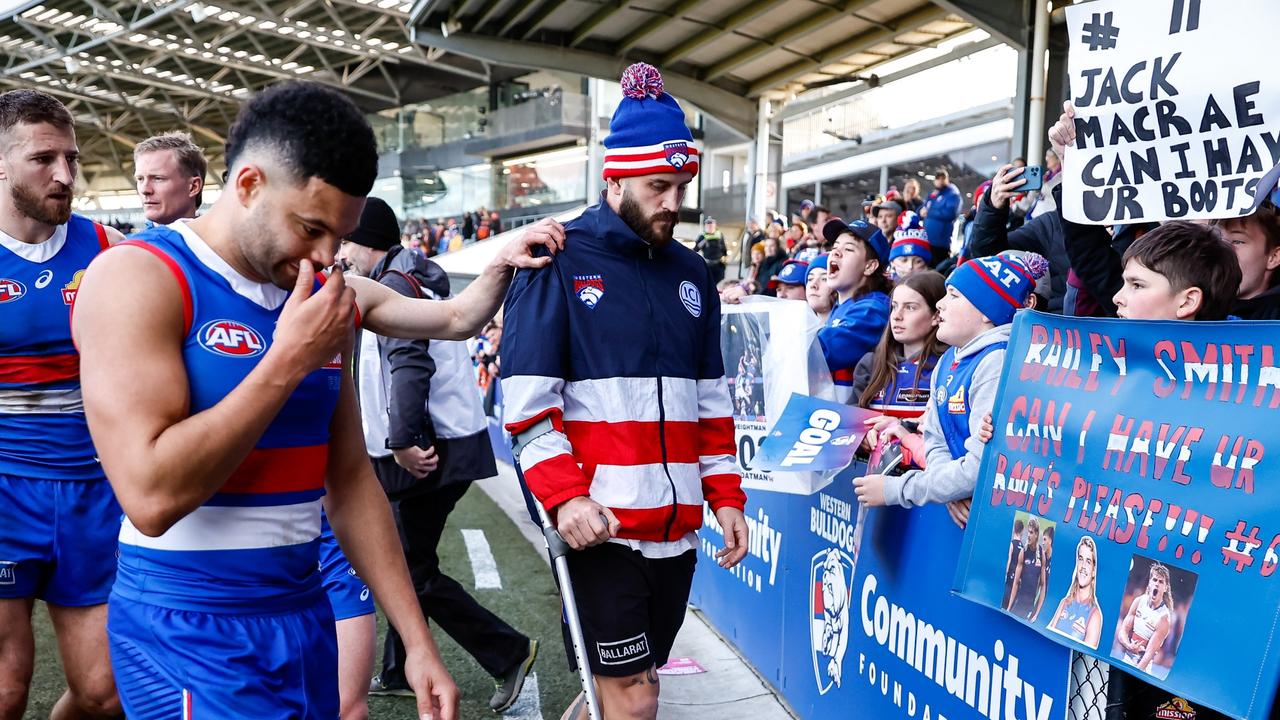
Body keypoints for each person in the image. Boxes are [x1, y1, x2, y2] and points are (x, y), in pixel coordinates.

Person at [73, 80, 562, 720]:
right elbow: (151, 496)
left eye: (341, 234)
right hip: (190, 623)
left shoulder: (320, 295)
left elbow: (350, 475)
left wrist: (417, 641)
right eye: (311, 227)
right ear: (248, 185)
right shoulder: (137, 277)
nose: (328, 255)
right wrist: (289, 358)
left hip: (304, 612)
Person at [499, 62, 749, 720]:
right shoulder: (556, 257)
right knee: (636, 699)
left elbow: (711, 404)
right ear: (615, 179)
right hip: (598, 531)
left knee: (618, 695)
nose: (674, 201)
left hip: (676, 535)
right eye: (658, 186)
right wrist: (566, 497)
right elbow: (525, 407)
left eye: (681, 185)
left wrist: (725, 497)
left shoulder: (693, 272)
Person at [338, 198, 538, 713]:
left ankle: (508, 652)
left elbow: (408, 362)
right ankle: (396, 669)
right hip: (447, 444)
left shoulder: (397, 282)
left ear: (366, 242)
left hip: (430, 452)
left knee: (407, 570)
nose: (339, 253)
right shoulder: (406, 273)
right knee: (409, 559)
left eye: (344, 242)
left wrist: (402, 441)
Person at [0, 88, 125, 720]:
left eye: (71, 159)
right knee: (5, 690)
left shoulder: (111, 249)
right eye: (43, 158)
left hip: (93, 492)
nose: (64, 174)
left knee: (105, 695)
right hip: (3, 491)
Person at [853, 253, 1047, 511]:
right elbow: (936, 441)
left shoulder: (996, 362)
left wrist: (896, 489)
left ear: (987, 312)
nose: (941, 305)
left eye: (954, 295)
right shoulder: (948, 360)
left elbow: (980, 467)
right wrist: (950, 492)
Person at [851, 271, 946, 421]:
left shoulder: (947, 366)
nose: (896, 316)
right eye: (894, 307)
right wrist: (862, 433)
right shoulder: (871, 363)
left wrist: (899, 426)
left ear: (936, 315)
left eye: (910, 308)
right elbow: (850, 421)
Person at [817, 217, 891, 402]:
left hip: (851, 423)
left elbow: (822, 352)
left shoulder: (873, 309)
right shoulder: (841, 307)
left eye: (848, 249)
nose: (836, 254)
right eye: (834, 248)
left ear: (870, 266)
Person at [134, 130, 207, 226]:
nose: (144, 190)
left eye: (158, 178)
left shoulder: (220, 240)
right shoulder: (119, 240)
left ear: (193, 187)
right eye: (140, 179)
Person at [1047, 536, 1103, 649]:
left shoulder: (1095, 614)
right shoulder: (1064, 602)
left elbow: (1086, 654)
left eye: (1088, 562)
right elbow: (1048, 635)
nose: (1083, 566)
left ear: (1093, 571)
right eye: (1080, 559)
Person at [1117, 563, 1174, 672]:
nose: (1157, 584)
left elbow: (1148, 654)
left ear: (1165, 588)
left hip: (1143, 668)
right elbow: (1123, 631)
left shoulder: (1164, 618)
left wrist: (1136, 673)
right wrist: (1128, 646)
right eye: (1155, 580)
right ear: (1149, 583)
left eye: (1161, 582)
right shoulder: (1139, 601)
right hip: (1126, 659)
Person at [1006, 517, 1046, 621]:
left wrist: (1037, 614)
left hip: (1030, 608)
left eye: (1031, 532)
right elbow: (1015, 583)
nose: (1028, 535)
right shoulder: (1023, 552)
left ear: (1036, 534)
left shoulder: (1041, 554)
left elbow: (1043, 585)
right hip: (1019, 603)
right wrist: (1009, 608)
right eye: (1028, 532)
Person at [921, 168, 960, 266]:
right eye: (937, 178)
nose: (940, 181)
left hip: (940, 244)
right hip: (927, 241)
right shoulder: (934, 194)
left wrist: (929, 212)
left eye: (942, 178)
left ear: (946, 179)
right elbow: (923, 208)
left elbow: (950, 214)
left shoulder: (952, 194)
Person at [887, 213, 931, 280]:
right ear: (892, 263)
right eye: (903, 260)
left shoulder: (933, 288)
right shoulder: (883, 287)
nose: (910, 267)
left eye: (918, 261)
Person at [694, 217, 727, 284]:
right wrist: (704, 240)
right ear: (705, 226)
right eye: (708, 225)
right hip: (708, 265)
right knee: (709, 283)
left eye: (711, 224)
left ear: (715, 225)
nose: (710, 226)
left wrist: (725, 259)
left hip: (719, 265)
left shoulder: (719, 235)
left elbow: (724, 248)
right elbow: (696, 249)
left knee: (719, 283)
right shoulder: (702, 236)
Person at [1002, 518, 1026, 611]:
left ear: (1014, 529)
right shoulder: (1023, 548)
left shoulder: (1012, 544)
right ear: (1022, 531)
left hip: (1009, 579)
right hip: (1016, 581)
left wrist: (1005, 573)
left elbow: (1008, 560)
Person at [805, 255, 836, 323]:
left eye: (824, 279)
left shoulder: (850, 328)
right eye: (810, 279)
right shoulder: (802, 328)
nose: (813, 285)